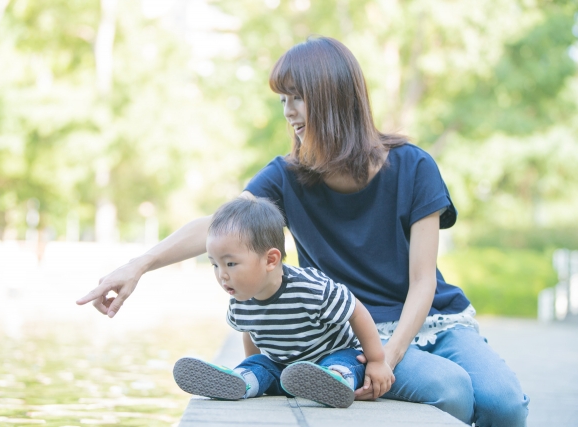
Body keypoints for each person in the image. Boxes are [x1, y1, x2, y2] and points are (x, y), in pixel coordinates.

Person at [77, 36, 529, 425]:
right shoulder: (285, 177)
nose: (288, 111)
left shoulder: (414, 166)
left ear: (334, 96)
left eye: (298, 97)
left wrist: (387, 358)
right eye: (283, 99)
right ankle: (275, 377)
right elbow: (219, 226)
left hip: (432, 319)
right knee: (450, 390)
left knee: (504, 404)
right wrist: (138, 265)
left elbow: (422, 281)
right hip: (346, 332)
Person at [172, 197, 394, 408]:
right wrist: (255, 362)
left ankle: (336, 381)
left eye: (230, 264)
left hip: (333, 353)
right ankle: (241, 382)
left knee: (345, 361)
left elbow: (356, 310)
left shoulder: (311, 288)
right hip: (286, 371)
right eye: (215, 265)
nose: (222, 275)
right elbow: (249, 331)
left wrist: (376, 360)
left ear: (270, 260)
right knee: (260, 367)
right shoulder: (239, 301)